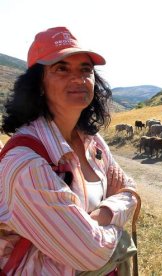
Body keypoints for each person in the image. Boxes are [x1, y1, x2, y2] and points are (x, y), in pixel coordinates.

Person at [0, 27, 139, 275]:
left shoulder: (92, 142)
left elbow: (129, 189)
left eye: (85, 69)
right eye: (61, 68)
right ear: (39, 84)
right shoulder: (25, 164)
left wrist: (101, 215)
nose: (78, 78)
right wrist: (112, 218)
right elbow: (88, 252)